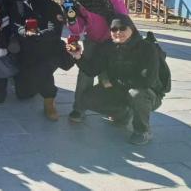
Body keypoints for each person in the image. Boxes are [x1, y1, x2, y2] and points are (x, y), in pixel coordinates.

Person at [68, 14, 169, 145]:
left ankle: (143, 131)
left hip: (148, 93)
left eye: (122, 28)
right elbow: (92, 70)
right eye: (114, 29)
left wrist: (115, 82)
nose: (118, 32)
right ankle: (123, 114)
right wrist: (78, 57)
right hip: (120, 88)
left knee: (136, 94)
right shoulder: (108, 47)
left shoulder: (147, 48)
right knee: (87, 99)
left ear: (132, 29)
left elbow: (147, 81)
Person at [65, 0, 129, 124]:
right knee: (85, 73)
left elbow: (123, 15)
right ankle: (79, 108)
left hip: (113, 40)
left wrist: (119, 38)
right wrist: (71, 20)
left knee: (108, 77)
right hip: (93, 40)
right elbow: (78, 28)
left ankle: (117, 111)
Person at [10, 0, 74, 121]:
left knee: (43, 71)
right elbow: (15, 25)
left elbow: (54, 30)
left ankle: (49, 102)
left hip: (47, 50)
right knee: (23, 94)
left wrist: (37, 34)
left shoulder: (53, 7)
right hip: (27, 51)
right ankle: (32, 82)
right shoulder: (20, 5)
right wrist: (25, 32)